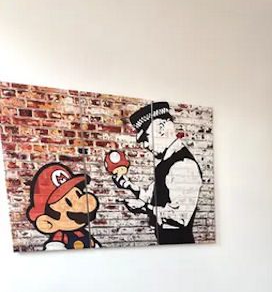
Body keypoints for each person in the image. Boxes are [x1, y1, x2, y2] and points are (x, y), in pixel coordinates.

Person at [110, 101, 202, 245]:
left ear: (161, 128)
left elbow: (180, 217)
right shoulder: (165, 163)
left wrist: (144, 208)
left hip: (180, 245)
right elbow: (153, 197)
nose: (145, 145)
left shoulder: (183, 165)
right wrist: (129, 186)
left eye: (146, 138)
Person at [26, 163, 101, 250]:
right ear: (47, 222)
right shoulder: (60, 237)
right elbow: (55, 251)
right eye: (68, 202)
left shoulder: (84, 234)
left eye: (79, 194)